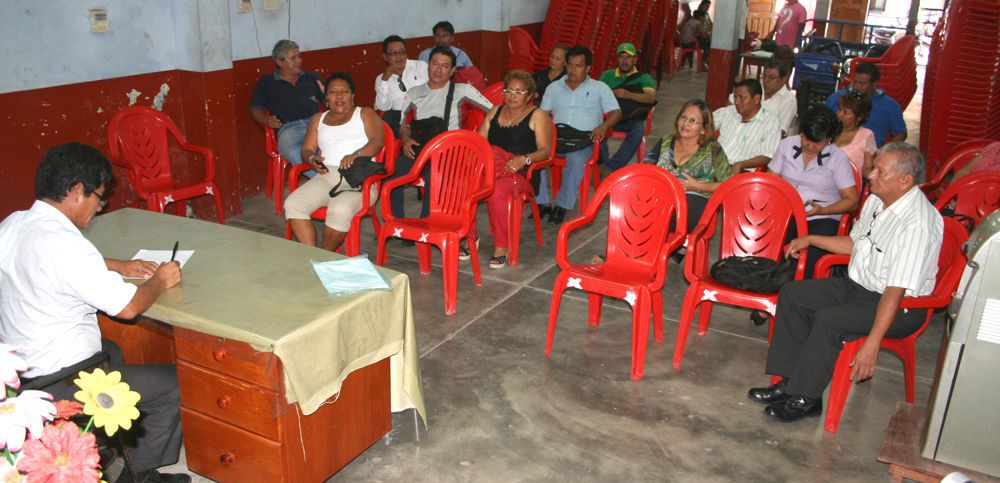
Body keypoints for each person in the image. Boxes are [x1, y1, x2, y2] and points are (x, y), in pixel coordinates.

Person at [0, 142, 188, 483]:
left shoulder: (14, 224)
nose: (99, 208)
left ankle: (107, 445)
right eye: (98, 197)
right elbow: (129, 307)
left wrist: (119, 265)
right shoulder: (67, 245)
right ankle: (138, 473)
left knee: (113, 350)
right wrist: (159, 280)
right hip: (62, 380)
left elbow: (56, 265)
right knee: (173, 384)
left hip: (17, 374)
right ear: (76, 191)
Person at [747, 142, 942, 423]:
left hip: (902, 306)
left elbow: (895, 291)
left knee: (830, 319)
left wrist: (872, 344)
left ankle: (807, 397)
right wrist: (811, 239)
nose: (871, 175)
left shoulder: (916, 225)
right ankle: (791, 382)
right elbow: (855, 244)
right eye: (874, 167)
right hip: (861, 287)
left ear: (905, 181)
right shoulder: (879, 199)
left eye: (880, 171)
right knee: (793, 294)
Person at [389, 46, 492, 247]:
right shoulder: (414, 93)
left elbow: (493, 110)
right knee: (390, 175)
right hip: (419, 149)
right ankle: (399, 226)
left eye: (445, 66)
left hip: (450, 155)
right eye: (435, 64)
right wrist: (406, 139)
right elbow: (404, 125)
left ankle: (425, 228)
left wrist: (477, 139)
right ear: (428, 65)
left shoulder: (463, 90)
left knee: (434, 179)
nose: (438, 70)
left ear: (453, 70)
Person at [285, 72, 385, 252]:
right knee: (293, 204)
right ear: (326, 97)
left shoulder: (364, 113)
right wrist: (310, 158)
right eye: (333, 92)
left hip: (358, 177)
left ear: (352, 95)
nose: (339, 96)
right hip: (326, 175)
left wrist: (356, 154)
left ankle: (324, 255)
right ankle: (313, 256)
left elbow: (377, 141)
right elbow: (306, 149)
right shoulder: (319, 119)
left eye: (344, 92)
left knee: (339, 210)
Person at [768, 106, 859, 278]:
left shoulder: (838, 158)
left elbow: (852, 200)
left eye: (818, 142)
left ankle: (797, 291)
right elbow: (770, 181)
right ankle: (770, 288)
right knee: (771, 240)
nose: (810, 146)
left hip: (821, 217)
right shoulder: (787, 145)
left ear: (829, 139)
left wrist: (824, 210)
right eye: (806, 139)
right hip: (787, 214)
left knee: (811, 254)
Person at [477, 70, 553, 269]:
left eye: (519, 92)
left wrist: (525, 159)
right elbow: (479, 142)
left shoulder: (538, 115)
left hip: (520, 173)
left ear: (530, 95)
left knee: (496, 191)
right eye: (509, 90)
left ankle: (502, 246)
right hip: (493, 167)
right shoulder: (494, 111)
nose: (512, 96)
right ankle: (469, 234)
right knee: (464, 183)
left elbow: (545, 151)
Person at [538, 45, 622, 225]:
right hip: (558, 138)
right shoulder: (554, 88)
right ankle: (542, 202)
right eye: (570, 65)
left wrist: (603, 126)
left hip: (585, 140)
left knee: (576, 160)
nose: (572, 70)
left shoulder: (600, 88)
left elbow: (616, 113)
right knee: (536, 155)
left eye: (578, 66)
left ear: (588, 68)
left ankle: (562, 205)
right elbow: (543, 115)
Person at [644, 99, 731, 235]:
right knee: (633, 205)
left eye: (693, 121)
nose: (685, 123)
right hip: (662, 195)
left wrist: (697, 186)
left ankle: (659, 250)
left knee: (663, 215)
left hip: (695, 197)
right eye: (683, 117)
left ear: (704, 129)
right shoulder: (666, 141)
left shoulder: (713, 149)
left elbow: (728, 184)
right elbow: (644, 169)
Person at [250, 39, 324, 177]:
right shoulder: (266, 83)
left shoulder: (311, 77)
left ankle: (326, 182)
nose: (299, 61)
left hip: (316, 124)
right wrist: (266, 120)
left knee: (329, 147)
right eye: (293, 58)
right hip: (289, 129)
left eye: (299, 56)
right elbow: (255, 109)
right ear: (279, 62)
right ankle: (322, 181)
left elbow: (328, 101)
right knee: (294, 151)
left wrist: (328, 94)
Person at [599, 42, 657, 173]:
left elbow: (650, 98)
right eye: (621, 57)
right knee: (597, 127)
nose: (625, 61)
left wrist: (628, 94)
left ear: (635, 59)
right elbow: (596, 96)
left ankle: (610, 167)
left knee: (638, 130)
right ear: (617, 59)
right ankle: (602, 163)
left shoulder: (644, 78)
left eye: (628, 57)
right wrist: (610, 95)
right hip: (609, 117)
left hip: (630, 118)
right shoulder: (607, 75)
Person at [825, 62, 907, 148]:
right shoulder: (837, 98)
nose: (856, 87)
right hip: (837, 148)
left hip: (870, 152)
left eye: (862, 84)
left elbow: (901, 133)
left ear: (874, 84)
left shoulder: (889, 105)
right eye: (854, 82)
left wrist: (881, 152)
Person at [713, 79, 782, 172]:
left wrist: (740, 164)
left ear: (756, 99)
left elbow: (767, 155)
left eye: (742, 97)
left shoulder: (770, 122)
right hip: (713, 162)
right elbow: (703, 125)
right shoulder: (729, 111)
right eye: (735, 97)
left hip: (740, 170)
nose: (736, 102)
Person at [374, 35, 428, 136]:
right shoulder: (381, 79)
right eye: (393, 53)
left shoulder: (420, 67)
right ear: (385, 57)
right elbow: (383, 107)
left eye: (401, 52)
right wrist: (385, 81)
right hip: (400, 119)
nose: (398, 57)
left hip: (424, 113)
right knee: (388, 117)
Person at [834, 90, 877, 177]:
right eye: (839, 110)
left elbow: (867, 169)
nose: (840, 114)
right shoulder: (829, 130)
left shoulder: (866, 135)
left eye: (846, 113)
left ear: (859, 117)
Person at [760, 59, 797, 135]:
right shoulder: (756, 90)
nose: (766, 80)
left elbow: (780, 132)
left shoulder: (788, 100)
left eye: (772, 77)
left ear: (783, 79)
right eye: (764, 76)